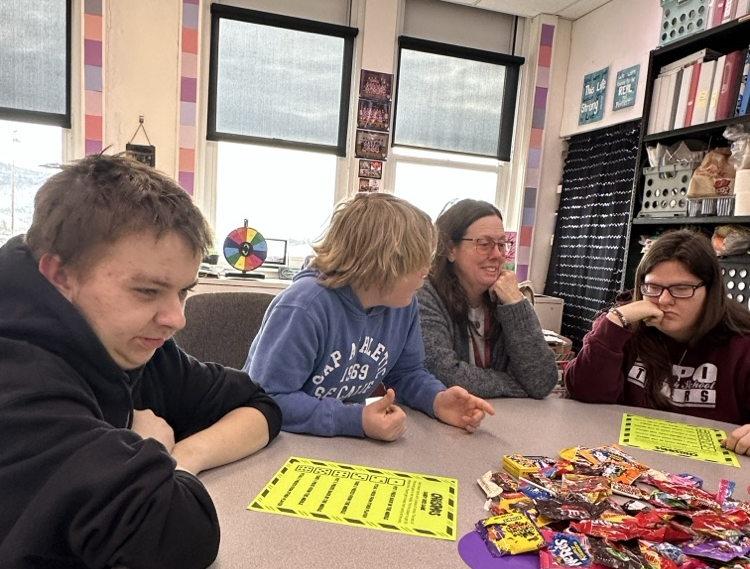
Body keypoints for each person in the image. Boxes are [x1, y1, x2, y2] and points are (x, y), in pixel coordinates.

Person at [0, 155, 282, 569]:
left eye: (183, 290)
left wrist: (177, 453)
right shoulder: (18, 379)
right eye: (149, 291)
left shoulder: (122, 340)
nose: (175, 317)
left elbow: (253, 403)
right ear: (58, 272)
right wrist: (150, 454)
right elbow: (182, 534)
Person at [244, 193, 495, 440]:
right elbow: (269, 399)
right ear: (382, 263)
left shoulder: (402, 303)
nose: (426, 272)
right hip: (278, 442)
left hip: (339, 445)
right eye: (417, 262)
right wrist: (355, 420)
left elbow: (406, 373)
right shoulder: (305, 307)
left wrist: (437, 399)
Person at [564, 228, 750, 454]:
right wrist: (614, 321)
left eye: (681, 289)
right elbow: (584, 392)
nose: (663, 300)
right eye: (653, 287)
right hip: (626, 460)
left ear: (711, 290)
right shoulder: (624, 326)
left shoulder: (742, 343)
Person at [417, 199, 559, 399]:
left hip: (505, 419)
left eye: (502, 244)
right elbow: (442, 374)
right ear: (450, 249)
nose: (497, 255)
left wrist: (516, 304)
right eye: (484, 244)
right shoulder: (425, 294)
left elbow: (541, 381)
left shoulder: (505, 297)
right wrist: (513, 385)